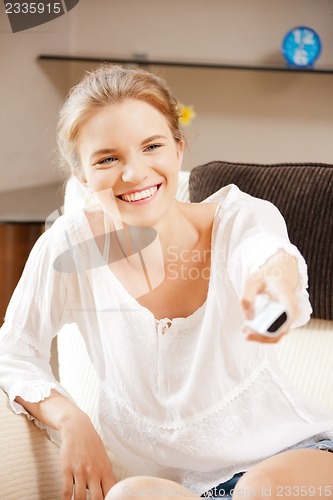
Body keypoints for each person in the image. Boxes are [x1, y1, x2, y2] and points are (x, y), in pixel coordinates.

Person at [0, 65, 332, 500]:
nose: (134, 174)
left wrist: (273, 288)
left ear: (178, 149)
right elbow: (14, 350)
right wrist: (72, 419)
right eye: (107, 158)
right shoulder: (70, 247)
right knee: (128, 496)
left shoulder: (239, 219)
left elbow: (270, 258)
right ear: (82, 175)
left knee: (257, 493)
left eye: (151, 146)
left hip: (294, 461)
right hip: (184, 490)